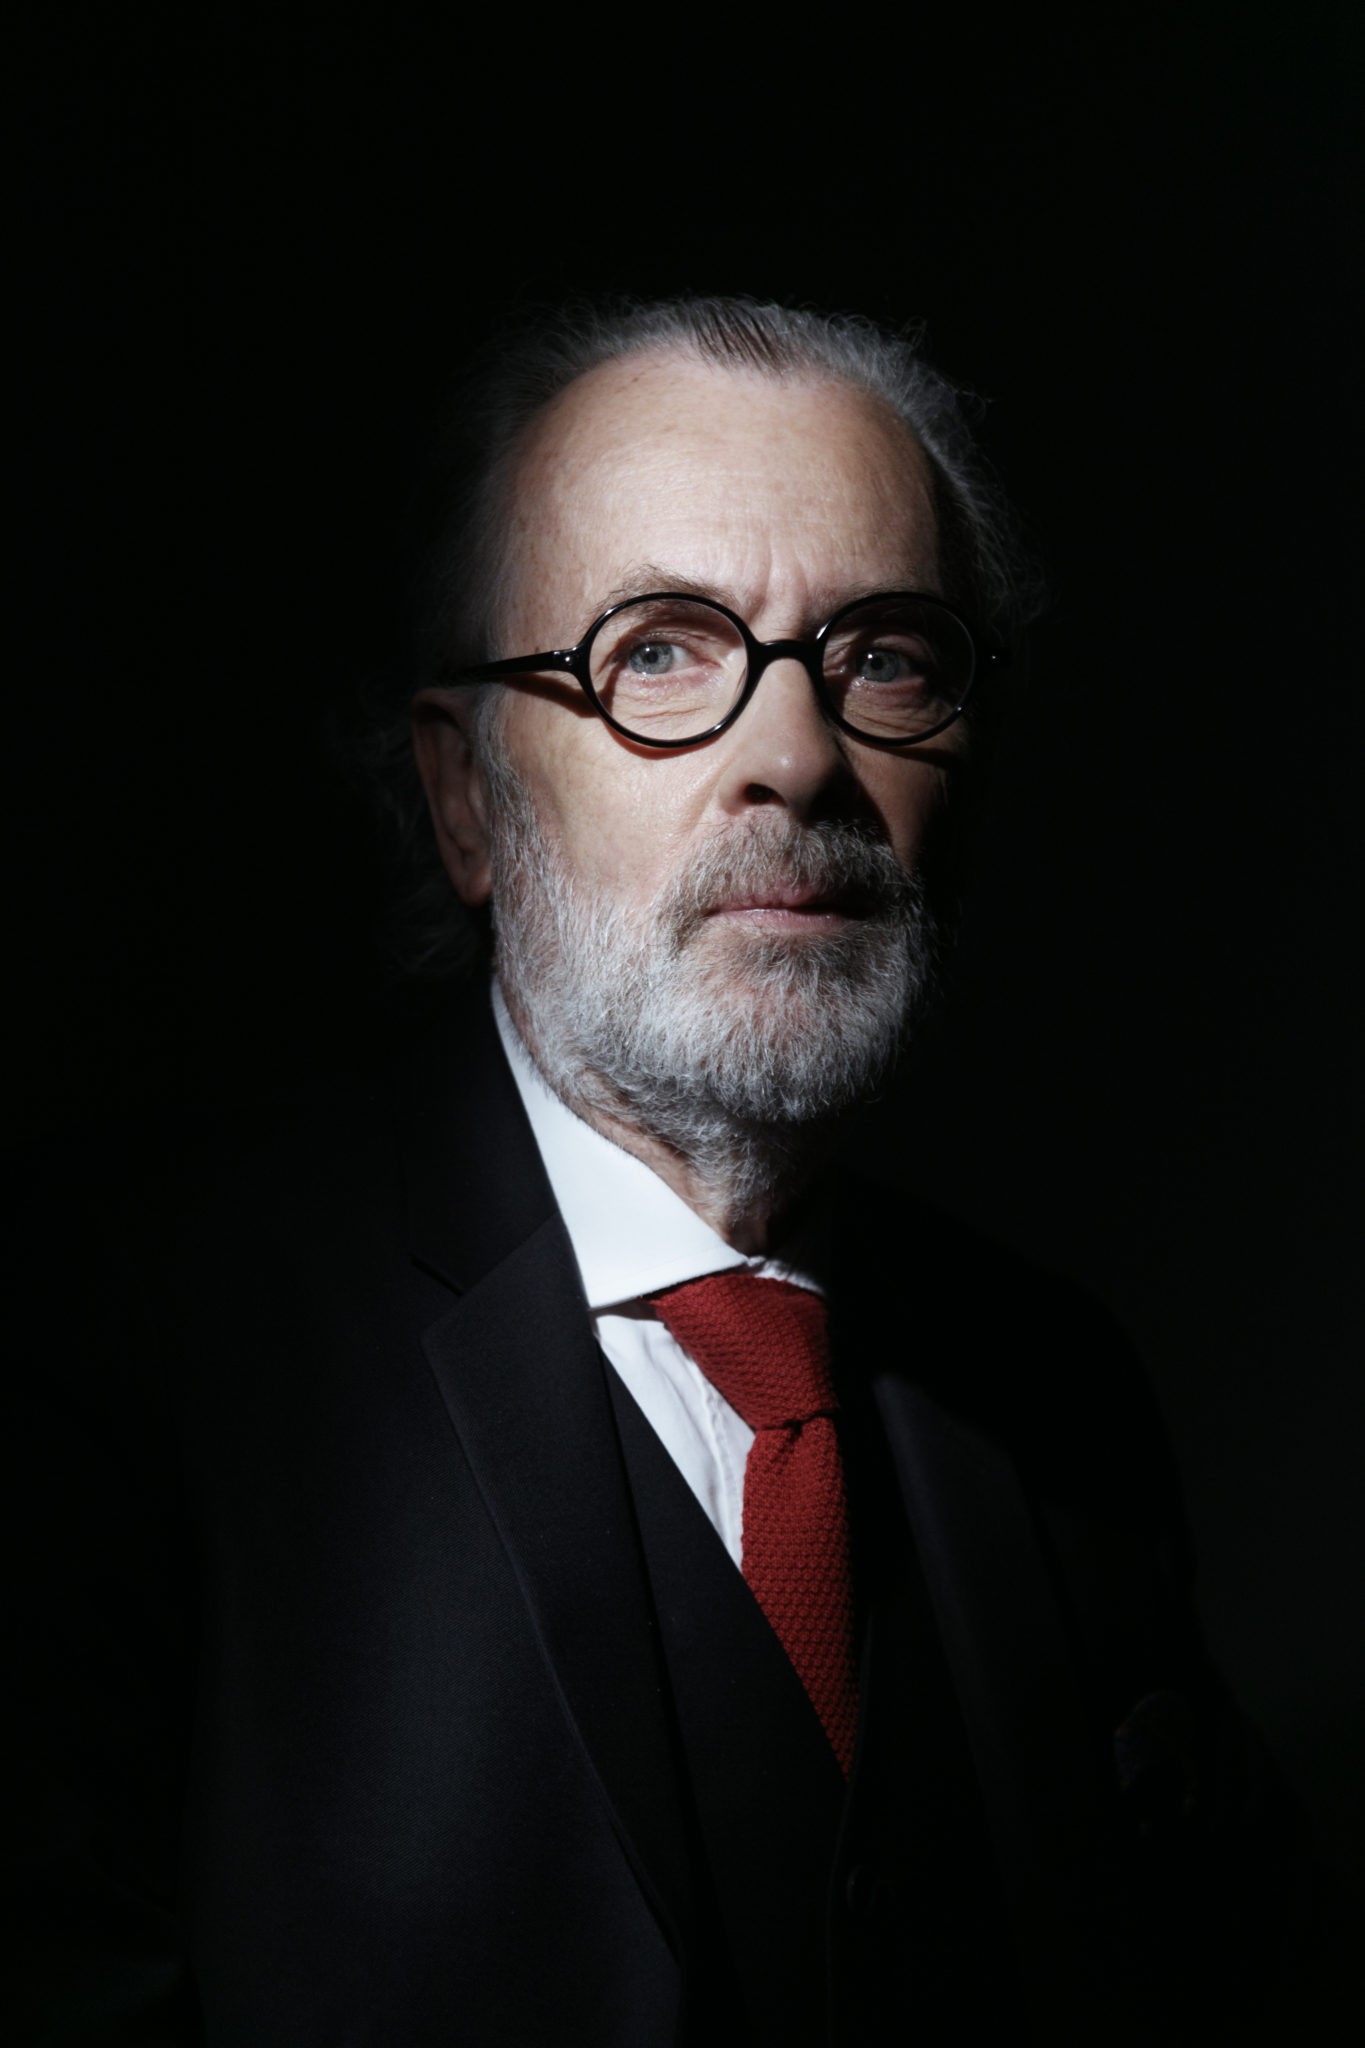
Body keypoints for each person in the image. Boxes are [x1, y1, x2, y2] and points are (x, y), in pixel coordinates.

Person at [8, 297, 1311, 2045]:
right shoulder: (114, 1361)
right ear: (469, 799)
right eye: (661, 653)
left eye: (884, 657)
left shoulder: (1060, 1395)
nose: (797, 757)